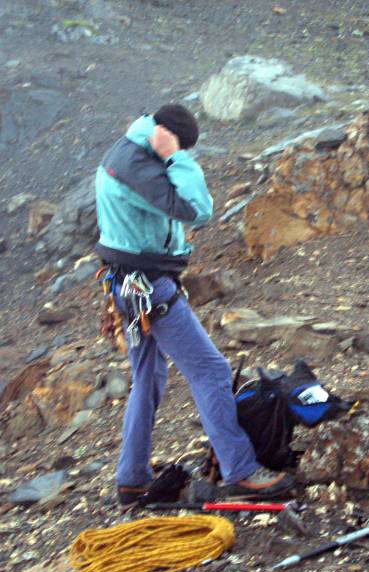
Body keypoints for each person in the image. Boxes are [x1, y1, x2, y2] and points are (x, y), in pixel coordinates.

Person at [94, 104, 294, 507]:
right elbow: (198, 210)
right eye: (179, 146)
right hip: (148, 287)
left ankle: (131, 479)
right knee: (211, 369)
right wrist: (178, 157)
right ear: (165, 134)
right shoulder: (139, 166)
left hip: (126, 285)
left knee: (148, 378)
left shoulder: (130, 149)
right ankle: (240, 470)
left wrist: (168, 152)